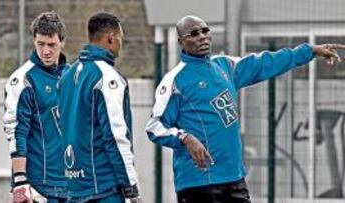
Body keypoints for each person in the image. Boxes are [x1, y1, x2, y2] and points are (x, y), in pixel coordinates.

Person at [145, 15, 345, 203]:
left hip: (234, 178)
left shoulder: (225, 66)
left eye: (205, 30)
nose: (202, 36)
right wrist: (184, 137)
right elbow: (154, 126)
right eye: (194, 34)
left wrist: (309, 51)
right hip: (198, 183)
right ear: (181, 41)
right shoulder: (174, 81)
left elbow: (266, 62)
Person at [58, 12, 141, 203]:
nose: (121, 43)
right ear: (111, 38)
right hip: (103, 188)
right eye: (121, 38)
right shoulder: (108, 77)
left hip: (73, 188)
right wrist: (131, 187)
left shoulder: (67, 76)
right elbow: (116, 136)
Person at [3, 11, 68, 203]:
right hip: (39, 187)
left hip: (73, 183)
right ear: (34, 40)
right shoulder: (22, 80)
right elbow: (16, 132)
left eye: (51, 44)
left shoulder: (73, 76)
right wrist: (20, 179)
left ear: (62, 41)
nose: (45, 51)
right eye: (40, 44)